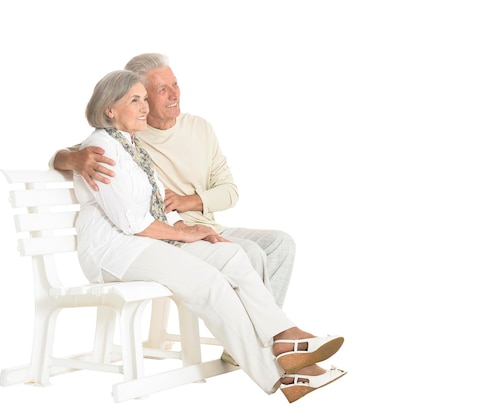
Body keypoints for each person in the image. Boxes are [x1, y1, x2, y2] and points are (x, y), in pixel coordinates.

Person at [73, 69, 346, 403]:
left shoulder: (131, 147)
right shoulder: (101, 149)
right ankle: (282, 376)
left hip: (147, 243)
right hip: (116, 252)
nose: (144, 106)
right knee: (208, 282)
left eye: (145, 98)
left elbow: (158, 202)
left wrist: (192, 228)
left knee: (231, 255)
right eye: (135, 100)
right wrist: (182, 234)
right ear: (109, 109)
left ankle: (284, 336)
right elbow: (132, 222)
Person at [51, 52, 294, 310]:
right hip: (168, 233)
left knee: (281, 244)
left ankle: (272, 337)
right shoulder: (127, 137)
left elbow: (230, 192)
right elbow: (67, 156)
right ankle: (263, 345)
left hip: (206, 227)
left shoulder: (200, 128)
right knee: (250, 253)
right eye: (162, 89)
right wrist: (72, 159)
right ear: (140, 96)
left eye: (175, 84)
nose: (174, 95)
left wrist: (186, 201)